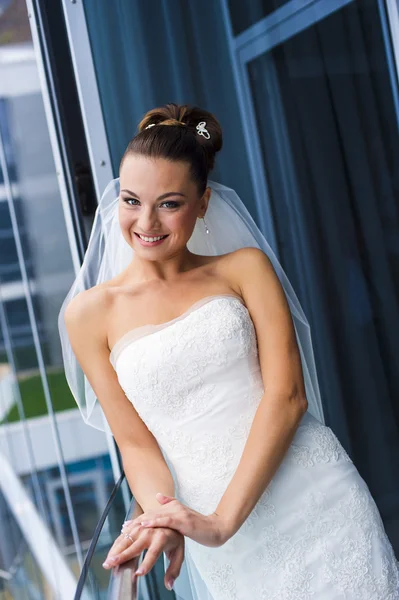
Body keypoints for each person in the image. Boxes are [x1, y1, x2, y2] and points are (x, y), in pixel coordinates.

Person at [59, 103, 399, 599]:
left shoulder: (245, 269)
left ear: (202, 203)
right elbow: (135, 443)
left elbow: (288, 397)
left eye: (170, 203)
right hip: (213, 533)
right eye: (132, 200)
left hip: (315, 501)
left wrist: (222, 521)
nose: (146, 221)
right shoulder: (88, 316)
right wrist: (164, 516)